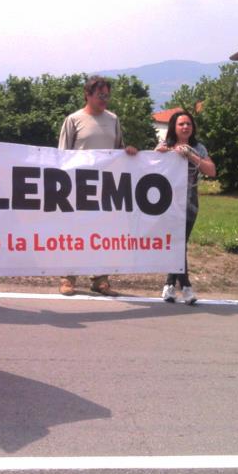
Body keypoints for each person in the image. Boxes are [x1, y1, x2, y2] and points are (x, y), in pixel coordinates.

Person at [57, 75, 138, 296]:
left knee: (102, 233)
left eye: (107, 95)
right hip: (76, 186)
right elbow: (62, 156)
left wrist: (128, 151)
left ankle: (100, 280)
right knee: (74, 232)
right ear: (88, 95)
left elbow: (118, 150)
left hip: (105, 188)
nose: (105, 99)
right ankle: (68, 278)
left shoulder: (113, 119)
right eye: (100, 95)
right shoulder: (73, 120)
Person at [155, 109, 215, 305]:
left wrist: (191, 155)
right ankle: (185, 286)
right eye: (181, 124)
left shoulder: (199, 147)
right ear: (174, 127)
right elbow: (149, 169)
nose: (185, 127)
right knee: (176, 243)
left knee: (180, 243)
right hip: (167, 204)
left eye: (188, 124)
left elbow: (211, 170)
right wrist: (160, 155)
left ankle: (170, 284)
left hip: (189, 204)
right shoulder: (165, 146)